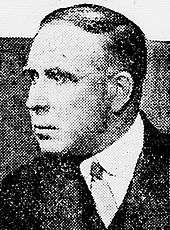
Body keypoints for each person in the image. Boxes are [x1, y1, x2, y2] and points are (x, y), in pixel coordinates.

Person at [0, 4, 168, 230]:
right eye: (34, 77)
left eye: (59, 78)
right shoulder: (17, 193)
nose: (33, 102)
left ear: (118, 91)